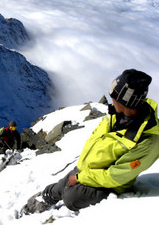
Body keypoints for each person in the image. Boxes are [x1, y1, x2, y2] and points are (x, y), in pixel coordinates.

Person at [24, 69, 159, 213]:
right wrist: (82, 172)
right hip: (89, 169)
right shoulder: (117, 114)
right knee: (60, 186)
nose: (111, 99)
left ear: (125, 101)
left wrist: (81, 177)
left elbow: (116, 176)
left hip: (111, 185)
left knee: (71, 197)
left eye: (114, 95)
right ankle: (45, 199)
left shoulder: (148, 140)